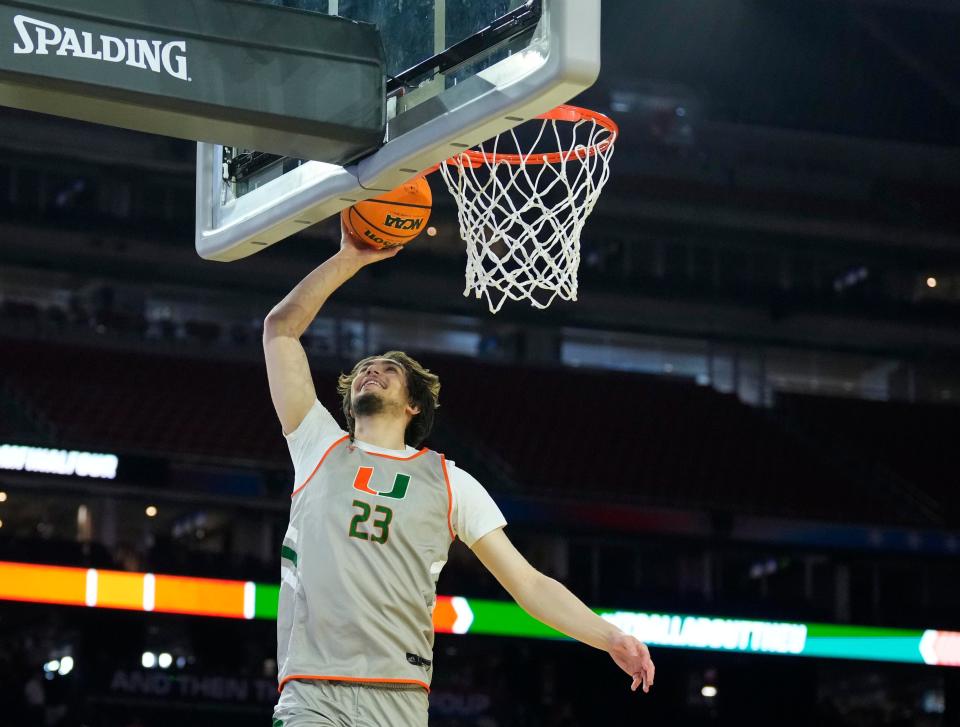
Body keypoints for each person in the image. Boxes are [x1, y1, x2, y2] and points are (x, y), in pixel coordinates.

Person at [264, 221, 655, 727]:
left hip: (399, 698)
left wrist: (610, 637)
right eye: (365, 367)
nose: (371, 369)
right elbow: (280, 329)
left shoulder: (451, 483)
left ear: (412, 405)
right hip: (312, 693)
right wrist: (351, 258)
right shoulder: (317, 446)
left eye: (388, 368)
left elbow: (529, 585)